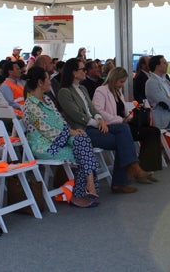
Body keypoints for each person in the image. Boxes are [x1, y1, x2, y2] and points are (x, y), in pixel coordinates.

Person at [58, 58, 153, 193]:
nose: (85, 71)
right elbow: (76, 115)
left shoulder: (82, 88)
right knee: (122, 140)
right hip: (82, 130)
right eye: (82, 69)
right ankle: (126, 175)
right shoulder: (65, 92)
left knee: (124, 129)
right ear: (73, 72)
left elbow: (93, 109)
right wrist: (97, 122)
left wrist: (99, 119)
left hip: (95, 125)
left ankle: (131, 170)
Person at [22, 66, 99, 208]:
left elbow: (60, 121)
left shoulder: (47, 100)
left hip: (59, 139)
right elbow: (46, 130)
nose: (50, 82)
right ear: (40, 82)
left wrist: (72, 131)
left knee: (83, 139)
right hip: (45, 146)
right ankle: (83, 191)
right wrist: (70, 133)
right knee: (82, 151)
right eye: (48, 80)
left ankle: (87, 186)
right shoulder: (30, 106)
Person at [93, 67, 162, 173]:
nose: (122, 84)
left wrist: (130, 118)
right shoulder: (101, 91)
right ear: (113, 79)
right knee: (149, 132)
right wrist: (120, 120)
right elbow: (99, 111)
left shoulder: (118, 92)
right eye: (121, 81)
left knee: (154, 131)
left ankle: (146, 166)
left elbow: (123, 112)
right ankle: (142, 168)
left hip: (123, 123)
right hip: (112, 125)